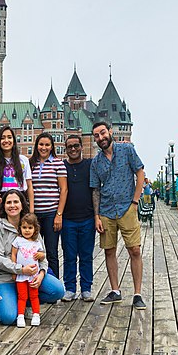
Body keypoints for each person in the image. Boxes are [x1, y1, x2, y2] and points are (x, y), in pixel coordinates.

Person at [90, 121, 146, 310]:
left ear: (110, 132)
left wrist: (135, 202)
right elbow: (95, 190)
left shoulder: (127, 149)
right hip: (106, 210)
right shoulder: (96, 162)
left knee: (135, 250)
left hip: (127, 207)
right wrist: (97, 216)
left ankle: (137, 294)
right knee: (109, 250)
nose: (100, 138)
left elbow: (140, 173)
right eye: (96, 136)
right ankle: (116, 290)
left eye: (103, 133)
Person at [0, 189, 65, 326]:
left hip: (31, 275)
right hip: (5, 278)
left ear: (22, 204)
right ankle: (6, 302)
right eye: (8, 202)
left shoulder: (31, 224)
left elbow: (42, 255)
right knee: (7, 317)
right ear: (3, 206)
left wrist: (41, 273)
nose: (12, 205)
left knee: (57, 290)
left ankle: (27, 303)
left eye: (16, 202)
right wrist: (20, 270)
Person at [28, 132, 68, 279]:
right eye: (41, 144)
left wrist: (59, 214)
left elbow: (64, 190)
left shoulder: (58, 163)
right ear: (36, 146)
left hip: (51, 213)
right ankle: (35, 283)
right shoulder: (30, 163)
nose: (43, 148)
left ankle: (54, 284)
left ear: (52, 147)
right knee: (33, 250)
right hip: (34, 215)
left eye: (47, 145)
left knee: (51, 252)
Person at [61, 135, 96, 302]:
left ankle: (86, 288)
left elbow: (96, 191)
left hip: (88, 218)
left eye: (76, 146)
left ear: (81, 147)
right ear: (65, 149)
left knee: (86, 255)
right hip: (67, 219)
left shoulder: (90, 165)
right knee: (68, 256)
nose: (73, 149)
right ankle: (70, 288)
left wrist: (97, 216)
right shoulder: (61, 167)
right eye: (70, 147)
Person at [11, 213, 45, 328]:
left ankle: (36, 314)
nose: (27, 230)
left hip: (33, 275)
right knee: (22, 296)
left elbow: (43, 256)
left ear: (35, 229)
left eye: (30, 228)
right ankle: (20, 315)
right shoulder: (18, 240)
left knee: (34, 295)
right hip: (21, 274)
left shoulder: (37, 242)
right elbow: (14, 255)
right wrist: (14, 271)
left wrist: (41, 254)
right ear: (20, 228)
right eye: (24, 227)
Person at [0, 126, 33, 205]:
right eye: (2, 138)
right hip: (0, 201)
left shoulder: (23, 160)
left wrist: (31, 210)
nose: (6, 140)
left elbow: (29, 186)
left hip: (20, 199)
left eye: (9, 137)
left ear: (14, 140)